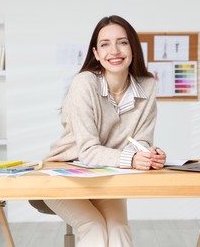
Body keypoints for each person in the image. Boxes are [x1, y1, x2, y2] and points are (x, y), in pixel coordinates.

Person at [44, 15, 166, 247]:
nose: (114, 51)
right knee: (95, 229)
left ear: (132, 48)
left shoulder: (147, 86)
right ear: (96, 54)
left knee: (119, 230)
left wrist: (149, 155)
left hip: (107, 175)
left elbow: (140, 141)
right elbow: (88, 151)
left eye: (122, 42)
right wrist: (132, 158)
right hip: (65, 174)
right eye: (105, 44)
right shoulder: (84, 83)